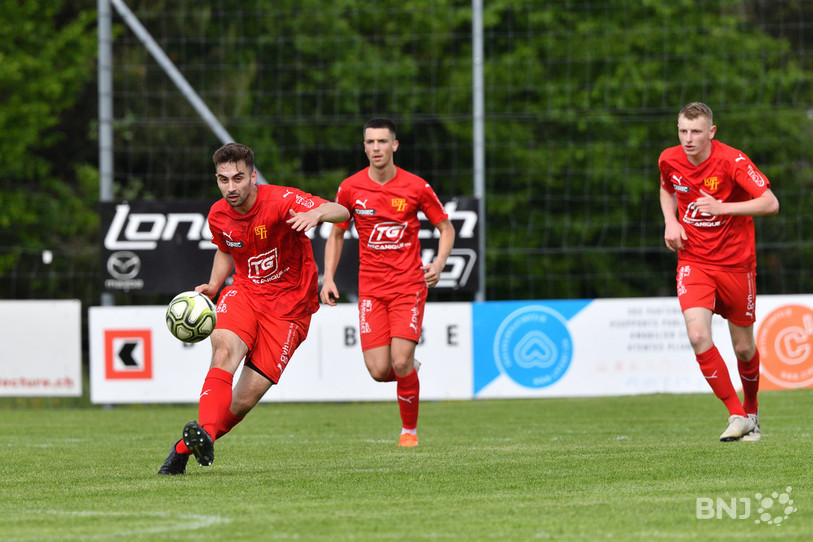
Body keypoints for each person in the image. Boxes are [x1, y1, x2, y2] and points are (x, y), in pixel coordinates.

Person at [158, 142, 350, 474]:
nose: (231, 187)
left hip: (290, 310)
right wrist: (215, 285)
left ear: (253, 176)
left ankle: (184, 447)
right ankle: (203, 431)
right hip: (245, 293)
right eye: (223, 180)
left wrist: (316, 214)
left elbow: (342, 212)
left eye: (238, 178)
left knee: (243, 400)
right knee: (223, 353)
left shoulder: (282, 200)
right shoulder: (218, 214)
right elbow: (225, 250)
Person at [319, 118, 455, 447]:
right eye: (370, 142)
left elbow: (446, 229)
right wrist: (328, 278)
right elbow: (336, 235)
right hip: (371, 290)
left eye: (382, 142)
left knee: (398, 360)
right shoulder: (350, 188)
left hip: (408, 286)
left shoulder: (416, 187)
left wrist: (438, 263)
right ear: (364, 147)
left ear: (394, 145)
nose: (376, 148)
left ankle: (409, 433)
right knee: (380, 371)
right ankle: (409, 369)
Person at [659, 102, 779, 442]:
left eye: (696, 131)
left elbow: (770, 203)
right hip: (693, 260)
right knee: (697, 335)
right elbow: (667, 187)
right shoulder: (668, 159)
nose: (688, 139)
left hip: (736, 264)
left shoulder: (732, 161)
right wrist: (671, 221)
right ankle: (735, 414)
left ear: (712, 132)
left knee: (743, 347)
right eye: (683, 131)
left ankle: (752, 411)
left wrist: (721, 207)